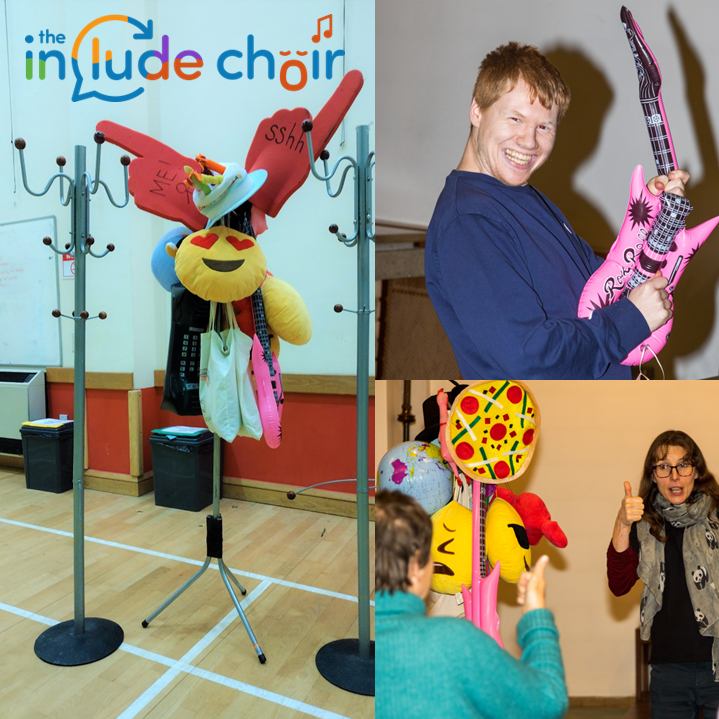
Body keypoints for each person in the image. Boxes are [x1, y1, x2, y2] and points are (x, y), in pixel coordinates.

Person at [424, 42, 689, 379]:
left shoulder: (523, 198)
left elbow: (606, 283)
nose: (529, 141)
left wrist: (652, 220)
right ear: (477, 110)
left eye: (544, 127)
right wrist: (630, 322)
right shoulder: (470, 222)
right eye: (515, 118)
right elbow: (529, 356)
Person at [376, 488, 568, 719]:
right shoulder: (457, 641)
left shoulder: (367, 639)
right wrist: (536, 614)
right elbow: (548, 701)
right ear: (418, 566)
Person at [607, 430, 719, 717]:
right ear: (653, 475)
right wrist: (622, 524)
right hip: (670, 670)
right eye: (663, 467)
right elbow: (619, 585)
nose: (674, 476)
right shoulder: (644, 524)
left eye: (683, 465)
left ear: (696, 471)